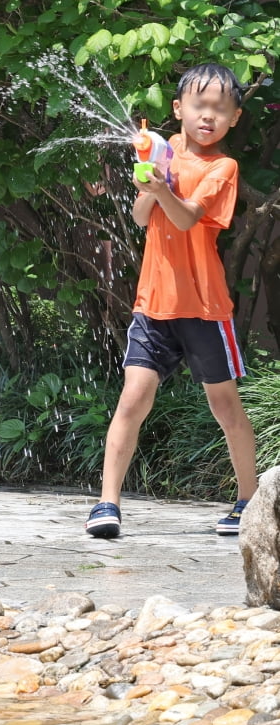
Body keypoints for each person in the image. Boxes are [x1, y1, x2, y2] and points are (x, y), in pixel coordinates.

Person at [85, 63, 257, 540]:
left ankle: (248, 499)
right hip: (153, 304)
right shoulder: (166, 150)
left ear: (234, 118)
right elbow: (144, 217)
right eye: (199, 106)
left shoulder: (223, 167)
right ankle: (107, 504)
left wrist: (162, 186)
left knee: (225, 406)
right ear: (179, 109)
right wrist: (150, 176)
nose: (209, 117)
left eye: (220, 110)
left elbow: (185, 221)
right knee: (132, 399)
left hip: (204, 308)